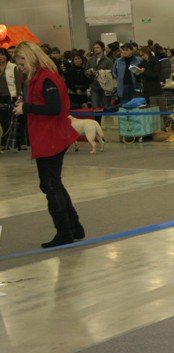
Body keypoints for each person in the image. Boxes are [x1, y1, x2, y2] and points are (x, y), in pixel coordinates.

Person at [12, 41, 85, 247]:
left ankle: (65, 232)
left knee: (50, 185)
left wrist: (26, 107)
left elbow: (53, 108)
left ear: (31, 57)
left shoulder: (46, 78)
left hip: (51, 138)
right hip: (47, 137)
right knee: (54, 184)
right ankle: (74, 228)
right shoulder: (39, 78)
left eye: (22, 62)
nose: (21, 67)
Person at [0, 47, 25, 150]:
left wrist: (19, 96)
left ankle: (19, 143)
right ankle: (4, 143)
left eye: (2, 54)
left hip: (12, 96)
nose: (0, 57)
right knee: (3, 121)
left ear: (6, 56)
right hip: (0, 98)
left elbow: (18, 83)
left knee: (15, 120)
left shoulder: (13, 66)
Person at [85, 41, 114, 110]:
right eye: (94, 48)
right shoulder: (90, 60)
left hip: (105, 87)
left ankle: (106, 121)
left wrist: (101, 73)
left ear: (102, 48)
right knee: (95, 107)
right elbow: (85, 71)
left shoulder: (108, 60)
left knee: (106, 107)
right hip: (94, 87)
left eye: (97, 47)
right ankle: (97, 121)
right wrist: (88, 72)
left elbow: (112, 73)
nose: (96, 49)